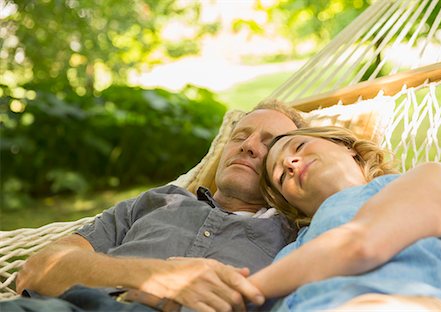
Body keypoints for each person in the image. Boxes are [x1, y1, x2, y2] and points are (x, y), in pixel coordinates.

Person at [3, 101, 304, 312]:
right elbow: (36, 271)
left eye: (269, 142)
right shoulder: (159, 200)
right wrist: (155, 275)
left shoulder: (296, 234)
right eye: (240, 135)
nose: (248, 145)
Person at [249, 126, 441, 311]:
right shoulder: (288, 254)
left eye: (300, 146)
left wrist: (248, 288)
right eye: (281, 177)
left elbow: (360, 244)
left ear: (346, 146)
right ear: (292, 205)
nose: (289, 163)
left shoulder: (425, 178)